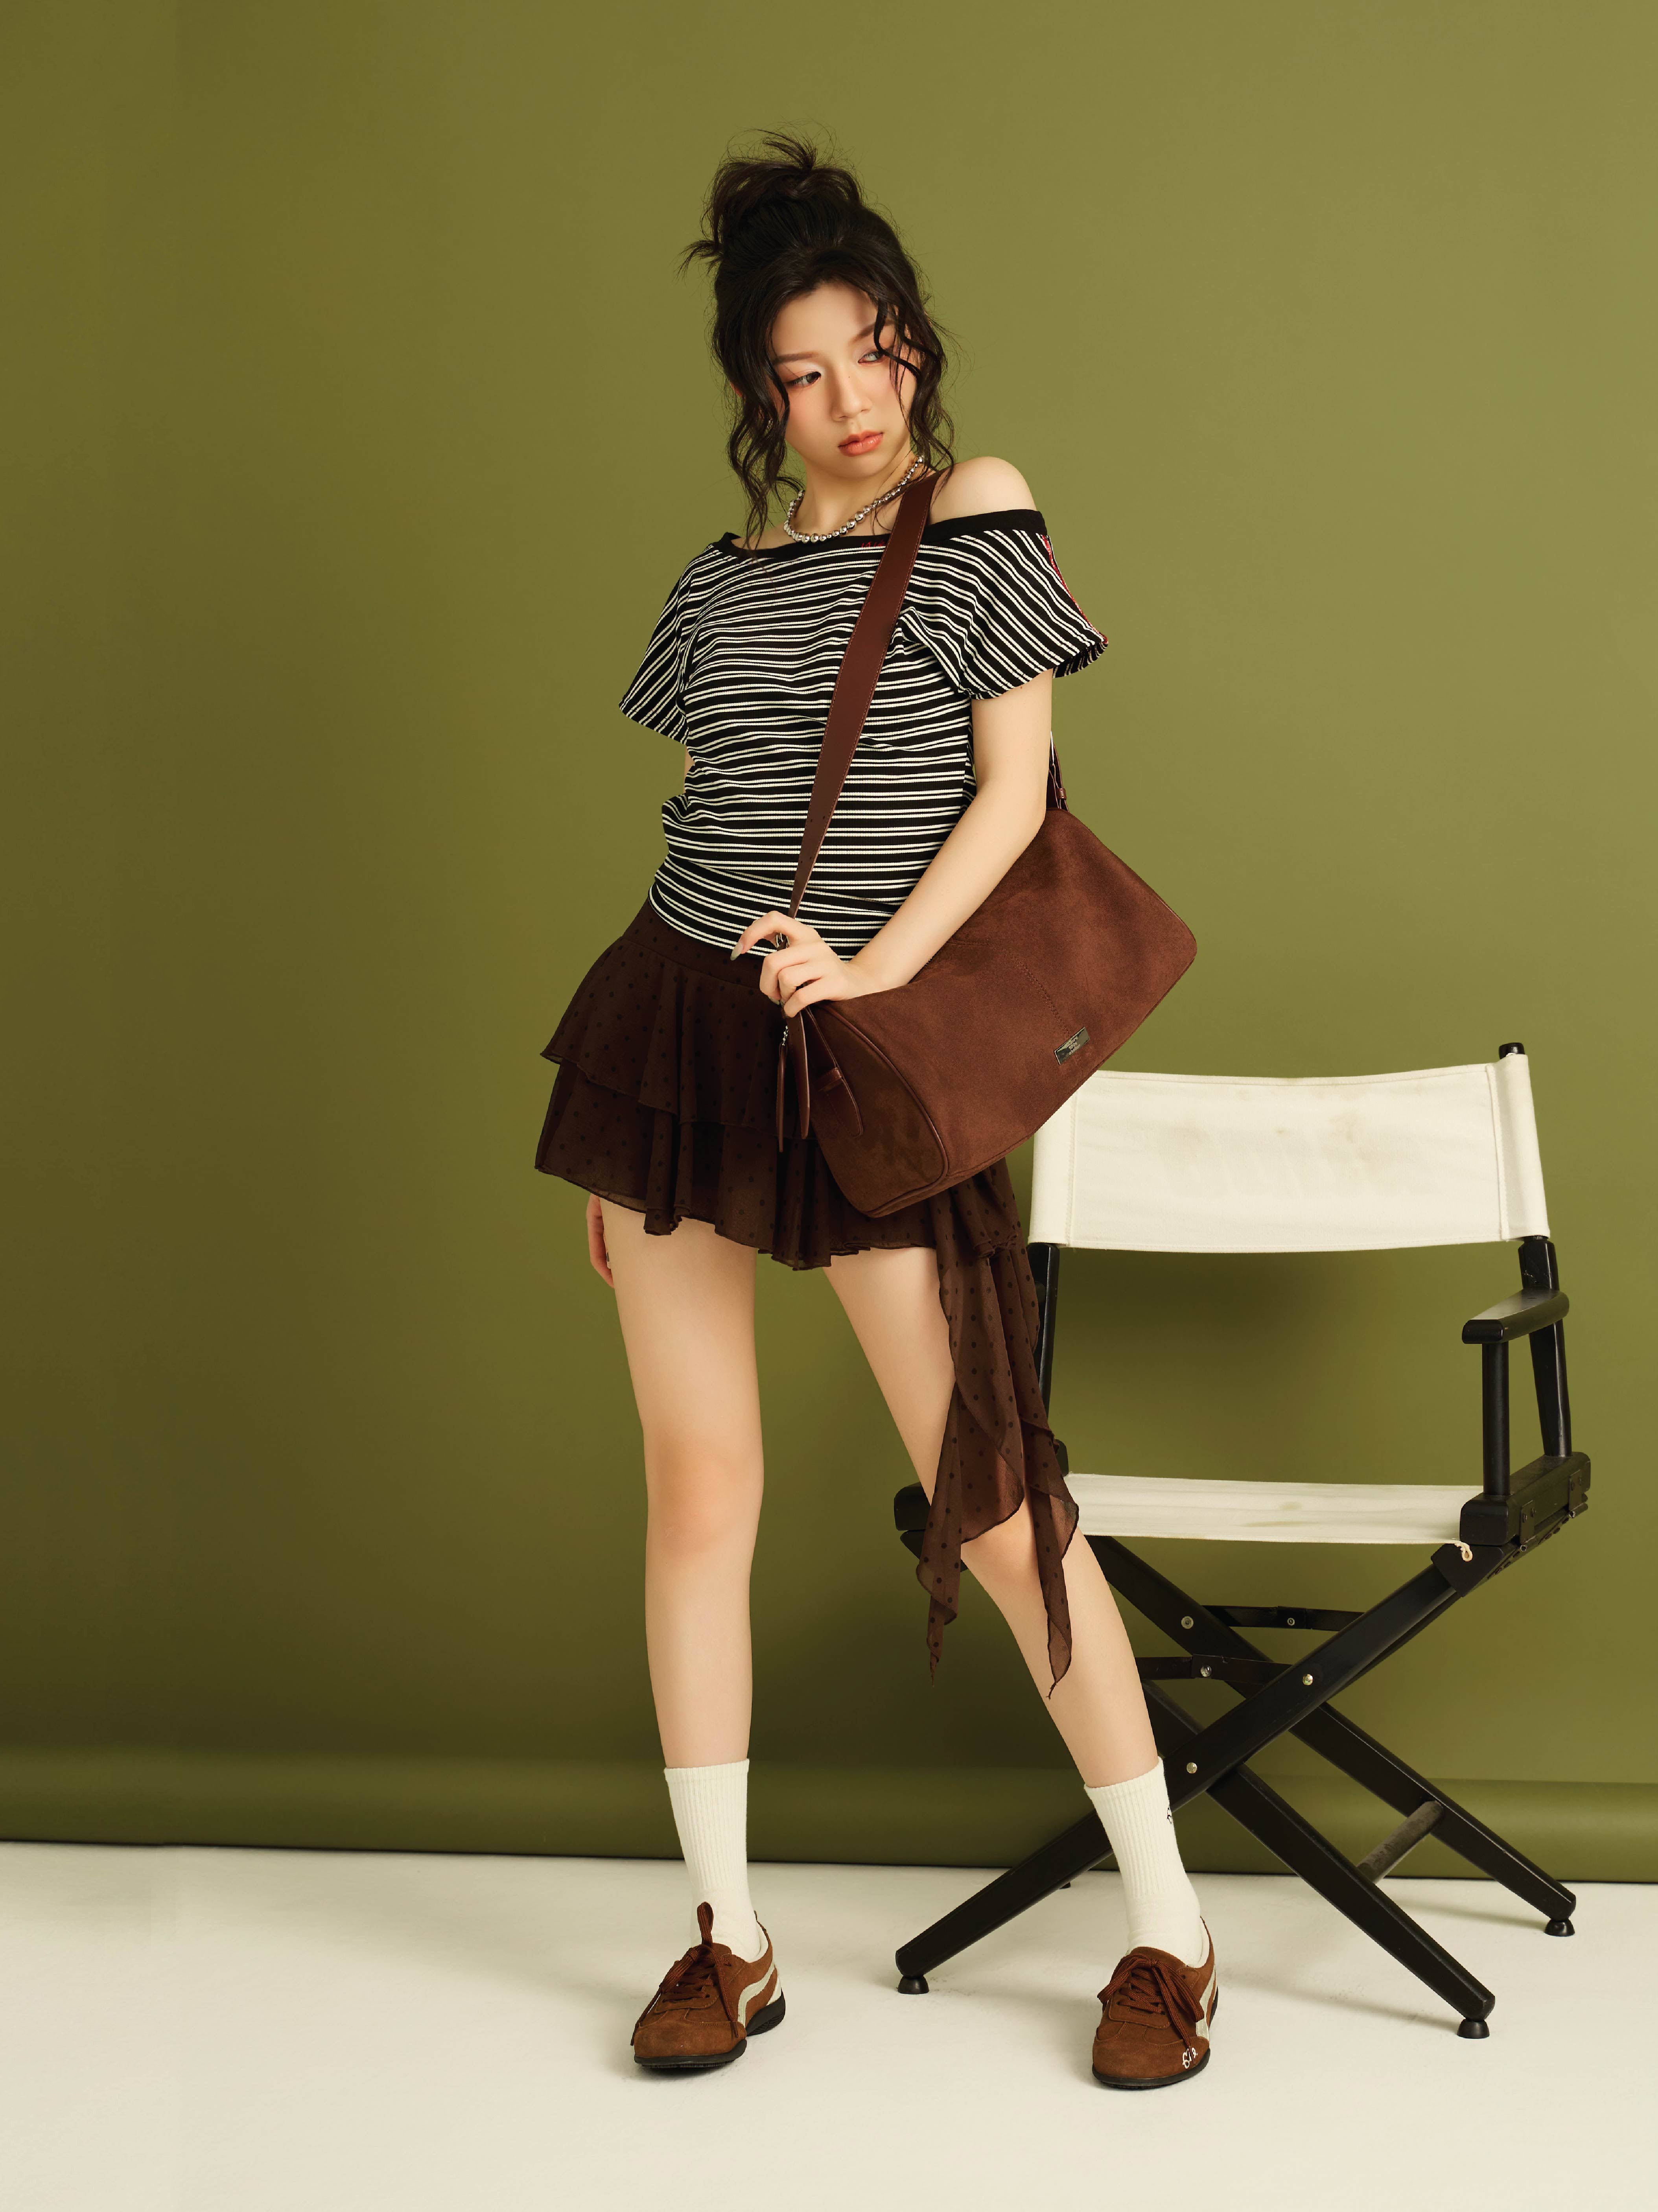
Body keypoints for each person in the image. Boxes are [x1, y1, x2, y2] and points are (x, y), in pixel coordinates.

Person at [534, 133, 1216, 2090]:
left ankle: (1170, 1935)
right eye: (803, 375)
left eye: (875, 350)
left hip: (850, 1036)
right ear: (758, 400)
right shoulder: (719, 582)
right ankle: (727, 1938)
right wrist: (631, 1119)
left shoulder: (976, 511)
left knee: (994, 1503)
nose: (852, 400)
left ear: (915, 340)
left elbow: (1011, 794)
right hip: (673, 1038)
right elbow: (713, 815)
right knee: (699, 1488)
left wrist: (869, 971)